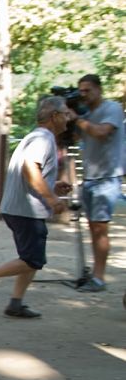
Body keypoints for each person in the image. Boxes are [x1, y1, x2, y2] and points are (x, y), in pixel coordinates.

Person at [0, 97, 73, 318]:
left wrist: (52, 185)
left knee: (29, 258)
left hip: (20, 208)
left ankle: (16, 303)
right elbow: (29, 168)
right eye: (65, 113)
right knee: (33, 260)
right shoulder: (43, 138)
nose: (68, 117)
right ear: (54, 116)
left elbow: (32, 173)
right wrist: (52, 199)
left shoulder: (35, 137)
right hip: (26, 210)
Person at [73, 74, 124, 292]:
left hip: (107, 178)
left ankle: (99, 278)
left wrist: (77, 120)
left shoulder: (112, 108)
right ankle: (94, 275)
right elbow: (75, 138)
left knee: (100, 229)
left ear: (99, 89)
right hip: (89, 178)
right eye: (81, 91)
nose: (83, 95)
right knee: (93, 229)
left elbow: (102, 132)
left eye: (87, 90)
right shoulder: (86, 114)